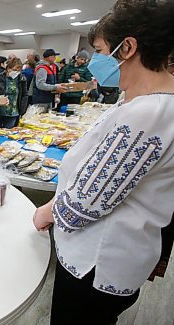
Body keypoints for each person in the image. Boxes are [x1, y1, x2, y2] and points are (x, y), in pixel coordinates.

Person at [32, 1, 174, 324]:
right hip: (106, 259)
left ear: (128, 47)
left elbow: (86, 202)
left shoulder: (148, 114)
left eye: (99, 50)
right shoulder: (140, 101)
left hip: (96, 265)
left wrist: (48, 210)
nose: (94, 60)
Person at [0, 57, 28, 128]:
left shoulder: (22, 79)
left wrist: (22, 110)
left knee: (8, 131)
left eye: (18, 70)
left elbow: (24, 95)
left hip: (14, 111)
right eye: (14, 70)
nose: (16, 72)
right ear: (8, 68)